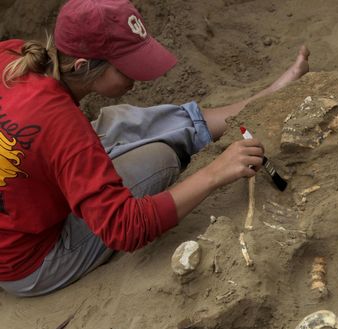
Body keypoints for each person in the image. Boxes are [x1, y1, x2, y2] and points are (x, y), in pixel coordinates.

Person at [0, 0, 309, 297]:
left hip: (24, 197)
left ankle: (255, 103)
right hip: (30, 261)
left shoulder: (10, 58)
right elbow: (124, 227)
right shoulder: (62, 123)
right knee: (158, 159)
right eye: (125, 69)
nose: (135, 78)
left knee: (117, 121)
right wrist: (215, 173)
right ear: (82, 65)